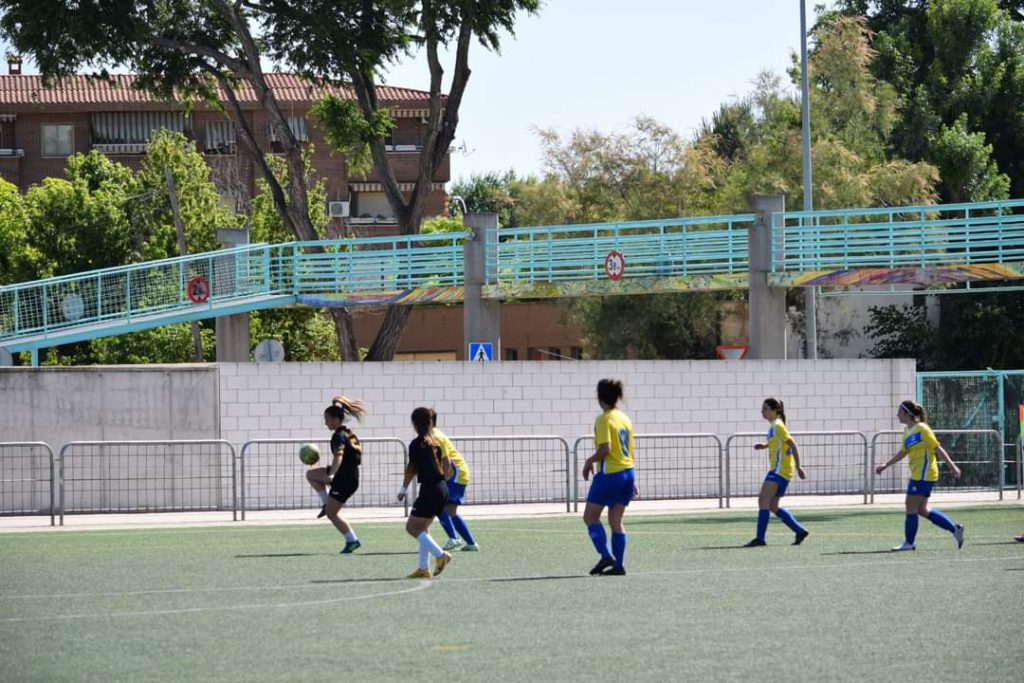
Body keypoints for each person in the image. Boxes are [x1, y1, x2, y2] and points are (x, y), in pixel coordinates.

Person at [875, 399, 964, 551]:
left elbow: (937, 448)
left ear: (907, 414)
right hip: (918, 474)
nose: (897, 415)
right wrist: (886, 465)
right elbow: (903, 452)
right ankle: (955, 529)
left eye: (899, 412)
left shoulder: (922, 428)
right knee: (921, 510)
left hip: (925, 474)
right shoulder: (907, 431)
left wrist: (952, 466)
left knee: (910, 506)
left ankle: (909, 543)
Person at [581, 379, 636, 576]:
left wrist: (589, 461)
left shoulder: (604, 419)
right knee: (616, 520)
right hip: (628, 472)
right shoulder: (624, 418)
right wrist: (633, 480)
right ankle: (619, 566)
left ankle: (605, 555)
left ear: (600, 397)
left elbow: (606, 449)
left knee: (590, 517)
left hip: (610, 474)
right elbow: (629, 450)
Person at [744, 398, 809, 547]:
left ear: (775, 410)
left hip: (779, 470)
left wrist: (799, 467)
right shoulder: (775, 426)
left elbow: (792, 444)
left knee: (762, 500)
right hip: (783, 471)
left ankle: (760, 538)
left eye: (766, 408)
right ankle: (799, 531)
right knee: (772, 506)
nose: (763, 411)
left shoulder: (778, 425)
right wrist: (765, 446)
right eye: (762, 409)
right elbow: (780, 442)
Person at [305, 395, 366, 554]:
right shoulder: (349, 433)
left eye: (327, 419)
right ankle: (326, 503)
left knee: (332, 514)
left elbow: (339, 456)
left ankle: (352, 540)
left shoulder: (338, 436)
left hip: (344, 478)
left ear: (336, 419)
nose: (325, 423)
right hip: (347, 473)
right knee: (311, 474)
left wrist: (331, 474)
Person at [398, 407, 453, 579]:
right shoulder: (436, 443)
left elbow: (411, 468)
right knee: (423, 528)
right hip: (442, 487)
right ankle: (423, 568)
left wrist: (403, 489)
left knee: (411, 528)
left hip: (430, 489)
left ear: (414, 424)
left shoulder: (416, 444)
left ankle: (440, 555)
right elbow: (448, 465)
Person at [430, 409, 479, 552]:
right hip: (457, 473)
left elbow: (448, 461)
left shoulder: (435, 436)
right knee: (450, 510)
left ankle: (454, 538)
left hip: (455, 473)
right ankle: (470, 543)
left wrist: (441, 479)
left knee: (440, 506)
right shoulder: (432, 435)